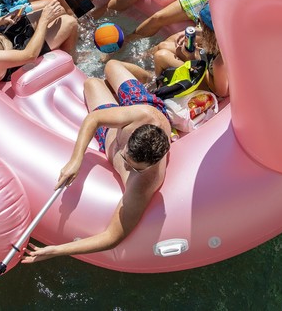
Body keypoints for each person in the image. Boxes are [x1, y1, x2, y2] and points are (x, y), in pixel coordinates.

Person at [21, 59, 171, 263]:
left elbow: (112, 237)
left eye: (134, 168)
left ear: (151, 165)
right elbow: (94, 119)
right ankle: (149, 78)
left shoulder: (144, 184)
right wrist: (76, 159)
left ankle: (114, 92)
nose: (125, 165)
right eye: (126, 157)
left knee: (92, 84)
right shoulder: (140, 115)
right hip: (140, 104)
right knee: (109, 66)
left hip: (108, 135)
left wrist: (54, 251)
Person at [151, 3, 229, 97]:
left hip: (207, 84)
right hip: (208, 63)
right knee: (163, 45)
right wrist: (194, 32)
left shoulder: (220, 63)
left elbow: (220, 92)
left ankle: (159, 85)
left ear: (211, 35)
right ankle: (157, 76)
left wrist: (193, 60)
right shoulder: (225, 39)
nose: (199, 27)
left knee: (161, 56)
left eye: (201, 25)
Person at [127, 0, 209, 41]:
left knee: (172, 42)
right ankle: (125, 44)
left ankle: (137, 59)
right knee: (157, 18)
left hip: (218, 12)